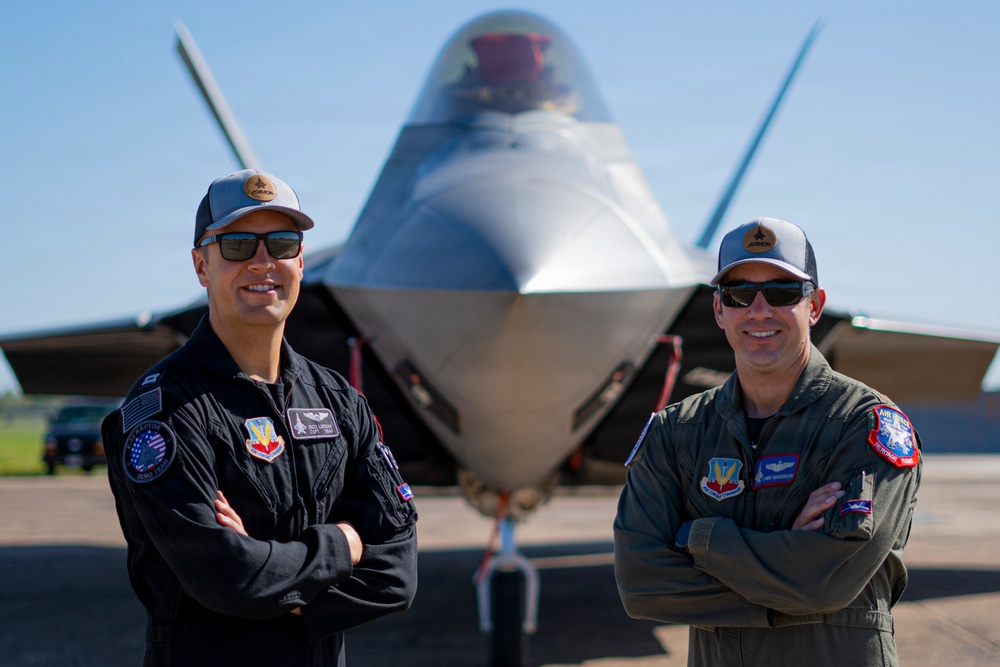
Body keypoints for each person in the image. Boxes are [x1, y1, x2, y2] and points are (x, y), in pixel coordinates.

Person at [103, 169, 418, 666]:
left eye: (282, 242)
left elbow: (397, 573)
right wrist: (342, 543)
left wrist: (281, 588)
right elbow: (230, 577)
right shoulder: (165, 410)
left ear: (299, 260)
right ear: (201, 266)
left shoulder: (338, 401)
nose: (263, 261)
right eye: (237, 245)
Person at [613, 217, 921, 666]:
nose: (759, 310)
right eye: (739, 294)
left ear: (814, 306)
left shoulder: (865, 425)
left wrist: (702, 537)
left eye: (781, 292)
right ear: (719, 310)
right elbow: (642, 584)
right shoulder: (676, 431)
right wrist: (787, 566)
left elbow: (825, 581)